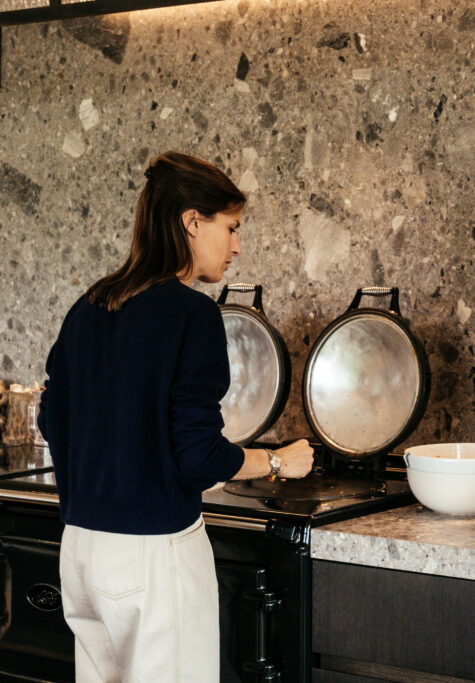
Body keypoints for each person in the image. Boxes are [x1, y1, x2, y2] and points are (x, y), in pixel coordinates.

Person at [38, 151, 314, 682]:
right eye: (231, 227)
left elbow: (53, 418)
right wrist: (278, 462)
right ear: (192, 221)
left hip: (80, 552)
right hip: (153, 559)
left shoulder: (90, 305)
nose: (237, 246)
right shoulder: (193, 314)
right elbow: (198, 457)